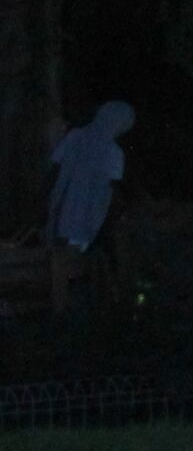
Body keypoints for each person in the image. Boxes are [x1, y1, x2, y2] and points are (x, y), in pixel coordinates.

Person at [44, 100, 131, 314]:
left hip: (64, 211)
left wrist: (48, 202)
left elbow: (54, 171)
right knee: (76, 267)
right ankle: (71, 315)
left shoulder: (76, 137)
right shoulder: (113, 152)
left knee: (63, 265)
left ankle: (63, 313)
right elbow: (113, 189)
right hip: (88, 217)